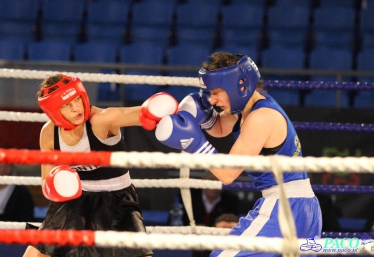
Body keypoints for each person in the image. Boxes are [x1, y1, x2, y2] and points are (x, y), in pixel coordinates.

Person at [140, 52, 322, 256]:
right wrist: (204, 119)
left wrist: (194, 144)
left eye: (217, 92)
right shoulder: (249, 107)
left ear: (241, 85)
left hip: (285, 207)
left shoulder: (260, 118)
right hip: (299, 206)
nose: (212, 99)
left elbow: (227, 174)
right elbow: (220, 129)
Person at [23, 74, 179, 257]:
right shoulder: (49, 134)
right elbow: (46, 183)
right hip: (75, 202)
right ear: (53, 112)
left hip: (116, 201)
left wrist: (156, 110)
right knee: (35, 254)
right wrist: (58, 184)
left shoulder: (101, 120)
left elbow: (141, 114)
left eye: (77, 100)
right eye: (66, 105)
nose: (76, 108)